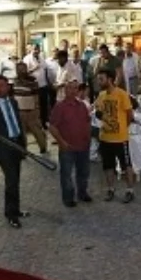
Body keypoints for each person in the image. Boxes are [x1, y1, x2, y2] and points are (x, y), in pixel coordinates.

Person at [0, 75, 30, 228]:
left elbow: (18, 124)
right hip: (3, 148)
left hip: (16, 145)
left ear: (8, 87)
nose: (1, 88)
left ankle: (15, 209)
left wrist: (23, 145)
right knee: (11, 180)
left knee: (16, 179)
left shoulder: (14, 103)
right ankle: (11, 214)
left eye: (3, 85)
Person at [47, 78, 93, 207]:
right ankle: (68, 198)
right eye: (69, 88)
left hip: (83, 145)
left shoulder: (82, 105)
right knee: (66, 174)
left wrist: (88, 137)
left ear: (78, 90)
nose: (72, 91)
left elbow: (87, 121)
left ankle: (82, 193)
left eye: (75, 88)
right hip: (67, 147)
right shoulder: (60, 107)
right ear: (64, 90)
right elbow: (52, 127)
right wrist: (61, 142)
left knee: (83, 172)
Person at [95, 69, 137, 203]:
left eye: (101, 78)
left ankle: (130, 190)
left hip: (120, 138)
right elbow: (98, 112)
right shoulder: (101, 95)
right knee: (108, 166)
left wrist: (123, 129)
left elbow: (130, 115)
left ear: (110, 79)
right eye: (98, 79)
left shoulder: (122, 94)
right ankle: (110, 189)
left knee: (126, 165)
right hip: (105, 137)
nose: (99, 81)